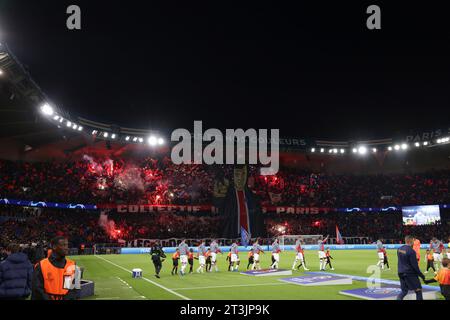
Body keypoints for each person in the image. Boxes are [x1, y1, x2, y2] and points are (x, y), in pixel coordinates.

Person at [396, 235, 426, 300]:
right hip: (410, 273)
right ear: (411, 241)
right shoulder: (411, 251)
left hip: (400, 272)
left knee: (404, 291)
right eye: (413, 241)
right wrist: (421, 275)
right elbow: (415, 266)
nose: (414, 242)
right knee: (418, 291)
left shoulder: (399, 249)